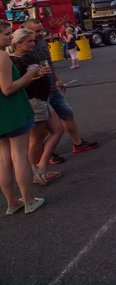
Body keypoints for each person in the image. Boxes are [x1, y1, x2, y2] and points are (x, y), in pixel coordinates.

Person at [22, 19, 98, 162]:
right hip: (38, 94)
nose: (41, 33)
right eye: (36, 31)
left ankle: (78, 144)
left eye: (41, 30)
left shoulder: (43, 43)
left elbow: (49, 64)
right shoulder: (24, 49)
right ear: (27, 33)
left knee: (68, 114)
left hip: (52, 88)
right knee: (43, 128)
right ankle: (45, 155)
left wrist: (57, 80)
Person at [0, 20, 45, 214]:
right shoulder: (2, 56)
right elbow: (7, 89)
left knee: (3, 159)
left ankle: (12, 202)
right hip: (11, 111)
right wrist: (30, 74)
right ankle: (28, 200)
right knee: (18, 156)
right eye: (7, 34)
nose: (11, 36)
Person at [9, 28, 64, 185]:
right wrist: (35, 76)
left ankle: (41, 167)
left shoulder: (27, 57)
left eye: (33, 40)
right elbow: (17, 86)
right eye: (29, 41)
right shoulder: (15, 61)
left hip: (42, 99)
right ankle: (37, 173)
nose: (33, 43)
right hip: (33, 101)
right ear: (18, 43)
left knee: (58, 129)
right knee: (36, 138)